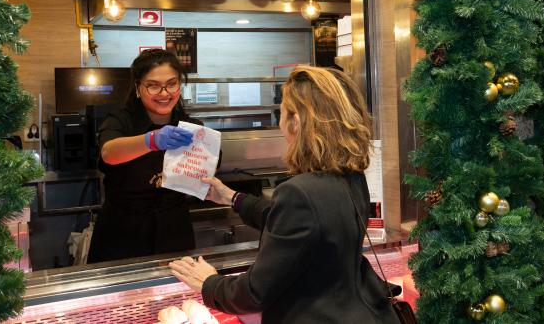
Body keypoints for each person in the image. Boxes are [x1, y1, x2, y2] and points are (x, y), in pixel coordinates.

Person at [169, 66, 399, 323]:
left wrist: (208, 283)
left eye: (282, 112)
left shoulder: (299, 192)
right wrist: (232, 198)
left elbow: (254, 293)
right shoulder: (351, 176)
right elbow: (299, 223)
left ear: (296, 121)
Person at [87, 49, 199, 263]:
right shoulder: (121, 120)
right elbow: (109, 153)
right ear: (138, 87)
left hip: (174, 232)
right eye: (153, 85)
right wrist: (151, 140)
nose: (164, 93)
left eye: (172, 84)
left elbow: (203, 172)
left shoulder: (191, 126)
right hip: (123, 234)